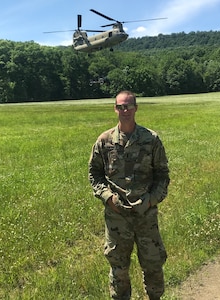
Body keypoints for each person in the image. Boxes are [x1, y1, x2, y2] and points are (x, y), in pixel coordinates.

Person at [88, 90, 170, 300]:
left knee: (153, 265)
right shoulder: (104, 141)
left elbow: (162, 176)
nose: (125, 110)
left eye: (129, 106)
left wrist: (151, 200)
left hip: (146, 215)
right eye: (120, 106)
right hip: (117, 218)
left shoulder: (150, 140)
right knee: (119, 269)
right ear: (115, 109)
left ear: (136, 108)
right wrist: (108, 198)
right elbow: (94, 174)